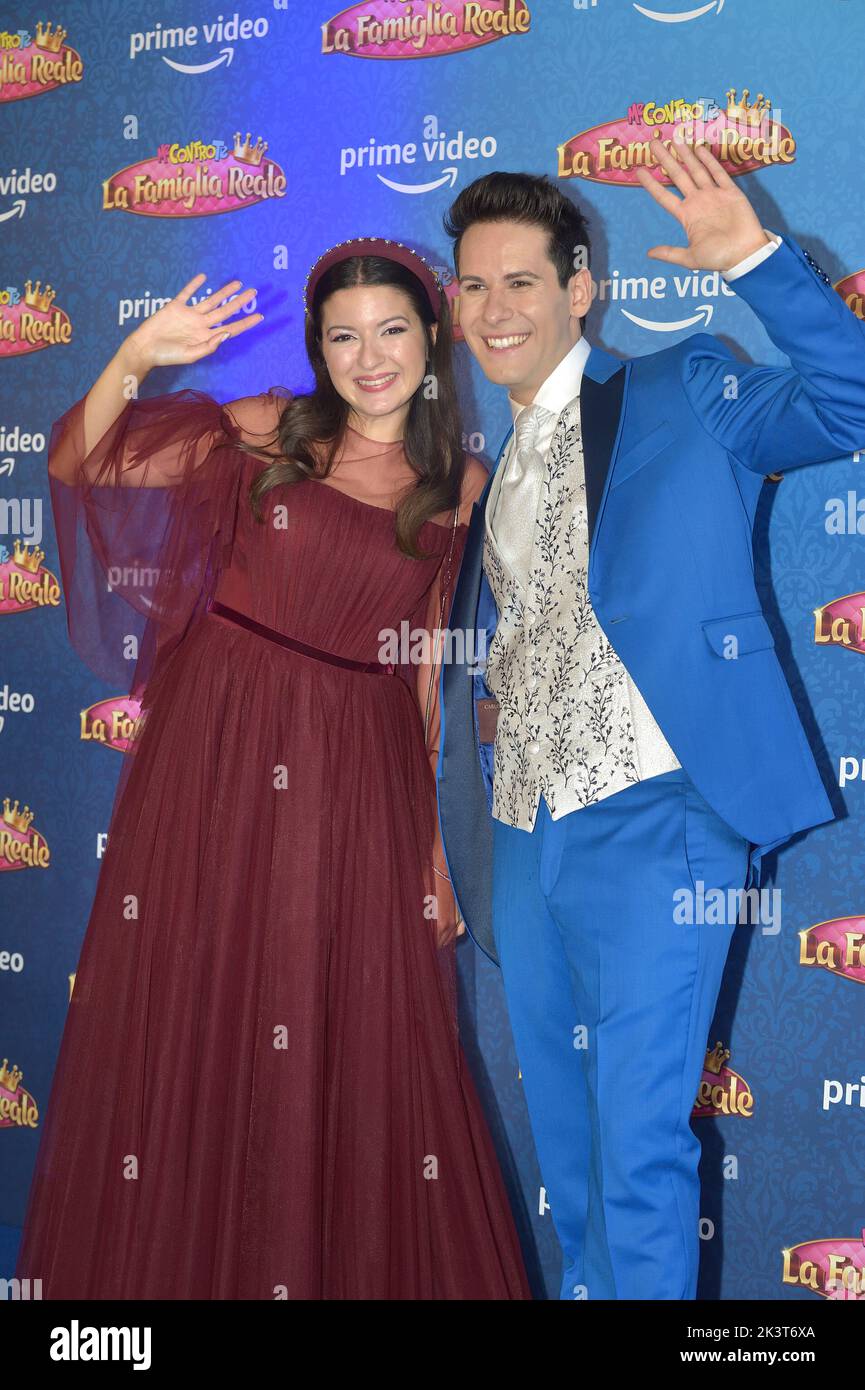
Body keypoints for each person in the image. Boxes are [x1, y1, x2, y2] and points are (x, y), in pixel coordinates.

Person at [14, 239, 532, 1300]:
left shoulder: (460, 487)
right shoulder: (259, 430)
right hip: (216, 750)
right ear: (318, 349)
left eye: (391, 329)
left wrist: (437, 847)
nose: (369, 355)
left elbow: (429, 672)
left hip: (357, 775)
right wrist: (134, 356)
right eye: (342, 336)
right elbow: (79, 464)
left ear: (432, 337)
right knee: (198, 998)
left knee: (335, 1023)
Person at [435, 143, 865, 1299]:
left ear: (582, 287)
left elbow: (848, 402)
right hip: (526, 839)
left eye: (520, 280)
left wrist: (761, 266)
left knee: (637, 1152)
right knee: (569, 1160)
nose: (493, 308)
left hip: (659, 819)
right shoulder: (491, 470)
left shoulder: (686, 388)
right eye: (471, 285)